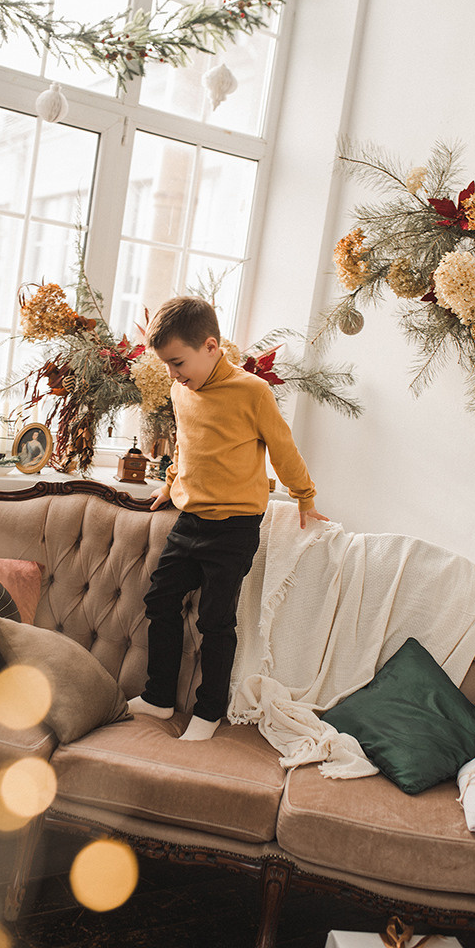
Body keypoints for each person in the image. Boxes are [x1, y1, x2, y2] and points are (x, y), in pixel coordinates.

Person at [128, 296, 328, 741]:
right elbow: (185, 443)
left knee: (215, 621)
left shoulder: (252, 392)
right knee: (160, 600)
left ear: (212, 347)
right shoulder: (182, 391)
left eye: (178, 362)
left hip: (235, 526)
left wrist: (304, 497)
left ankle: (209, 710)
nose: (173, 375)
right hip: (190, 519)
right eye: (166, 366)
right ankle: (159, 698)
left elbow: (282, 447)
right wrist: (170, 482)